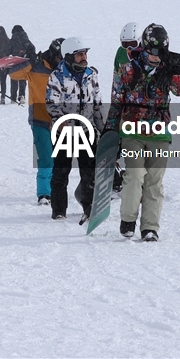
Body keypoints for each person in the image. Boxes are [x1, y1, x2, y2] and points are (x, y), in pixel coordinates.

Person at [104, 24, 180, 241]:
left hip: (159, 134)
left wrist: (173, 72)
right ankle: (128, 220)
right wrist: (111, 130)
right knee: (134, 175)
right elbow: (116, 101)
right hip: (132, 133)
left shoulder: (166, 70)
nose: (156, 57)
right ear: (145, 47)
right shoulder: (128, 70)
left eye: (161, 54)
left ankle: (150, 227)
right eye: (153, 52)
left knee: (154, 181)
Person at [46, 36, 103, 222]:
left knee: (89, 172)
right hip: (65, 132)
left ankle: (89, 207)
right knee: (61, 172)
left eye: (85, 53)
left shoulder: (91, 75)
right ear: (69, 56)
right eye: (79, 54)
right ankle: (59, 210)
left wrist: (103, 129)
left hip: (86, 131)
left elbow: (97, 104)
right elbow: (51, 103)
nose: (83, 57)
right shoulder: (57, 76)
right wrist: (59, 120)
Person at [9, 38, 62, 205]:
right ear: (54, 54)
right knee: (46, 158)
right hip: (40, 120)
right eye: (61, 56)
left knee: (60, 160)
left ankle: (58, 191)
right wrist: (30, 61)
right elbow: (13, 73)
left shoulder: (66, 70)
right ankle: (44, 193)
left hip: (63, 121)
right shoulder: (37, 67)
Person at [8, 25, 34, 104]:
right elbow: (32, 48)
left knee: (14, 77)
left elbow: (7, 50)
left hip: (15, 61)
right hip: (24, 61)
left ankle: (13, 97)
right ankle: (22, 96)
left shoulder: (12, 40)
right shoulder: (26, 39)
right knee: (22, 77)